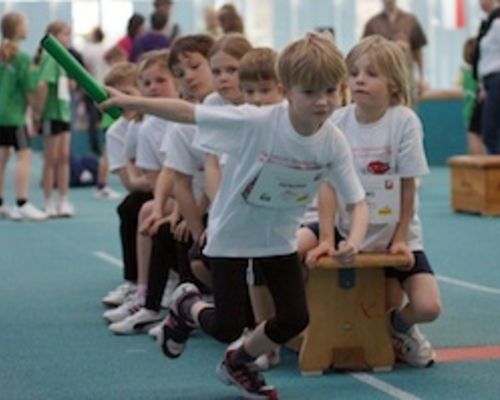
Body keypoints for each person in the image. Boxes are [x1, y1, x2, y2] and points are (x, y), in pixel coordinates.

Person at [101, 32, 368, 399]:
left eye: (329, 91)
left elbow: (356, 201)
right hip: (232, 234)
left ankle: (237, 362)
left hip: (278, 240)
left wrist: (352, 240)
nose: (322, 102)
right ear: (286, 89)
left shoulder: (333, 141)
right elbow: (190, 113)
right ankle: (186, 305)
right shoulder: (256, 122)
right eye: (310, 92)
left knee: (295, 318)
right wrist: (134, 101)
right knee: (226, 325)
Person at [300, 35, 441, 369]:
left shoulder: (404, 121)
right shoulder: (337, 122)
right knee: (291, 246)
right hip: (342, 225)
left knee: (427, 307)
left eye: (372, 73)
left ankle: (400, 327)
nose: (359, 79)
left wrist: (402, 237)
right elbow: (328, 187)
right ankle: (292, 321)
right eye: (354, 72)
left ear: (394, 85)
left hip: (391, 231)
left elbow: (408, 185)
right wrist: (326, 238)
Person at [237, 47, 286, 371]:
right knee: (256, 270)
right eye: (250, 92)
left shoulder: (289, 122)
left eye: (265, 91)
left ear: (283, 90)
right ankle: (262, 335)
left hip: (293, 217)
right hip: (257, 215)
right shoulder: (246, 127)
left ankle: (276, 333)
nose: (256, 99)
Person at [0, 12, 47, 221]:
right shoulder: (21, 58)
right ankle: (22, 202)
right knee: (24, 155)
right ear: (18, 29)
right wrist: (36, 112)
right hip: (13, 117)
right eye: (26, 24)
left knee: (2, 157)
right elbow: (29, 89)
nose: (28, 27)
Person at [33, 21, 75, 218]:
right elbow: (42, 85)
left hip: (64, 113)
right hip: (51, 114)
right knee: (51, 158)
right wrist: (37, 113)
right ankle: (48, 200)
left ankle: (64, 199)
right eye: (65, 34)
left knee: (64, 157)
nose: (69, 38)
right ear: (54, 36)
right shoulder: (50, 57)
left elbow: (66, 85)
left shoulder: (65, 59)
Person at [363, 0, 427, 98]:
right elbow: (364, 52)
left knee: (407, 105)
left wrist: (421, 78)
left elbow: (418, 51)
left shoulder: (410, 20)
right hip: (381, 73)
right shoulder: (372, 23)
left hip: (406, 74)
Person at [473, 0, 500, 154]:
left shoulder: (497, 23)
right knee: (489, 131)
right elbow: (484, 57)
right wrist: (483, 86)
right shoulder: (487, 22)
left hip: (497, 79)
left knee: (491, 132)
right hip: (489, 81)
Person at [460, 37, 486, 155]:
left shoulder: (464, 73)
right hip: (476, 110)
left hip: (468, 111)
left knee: (472, 140)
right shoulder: (480, 74)